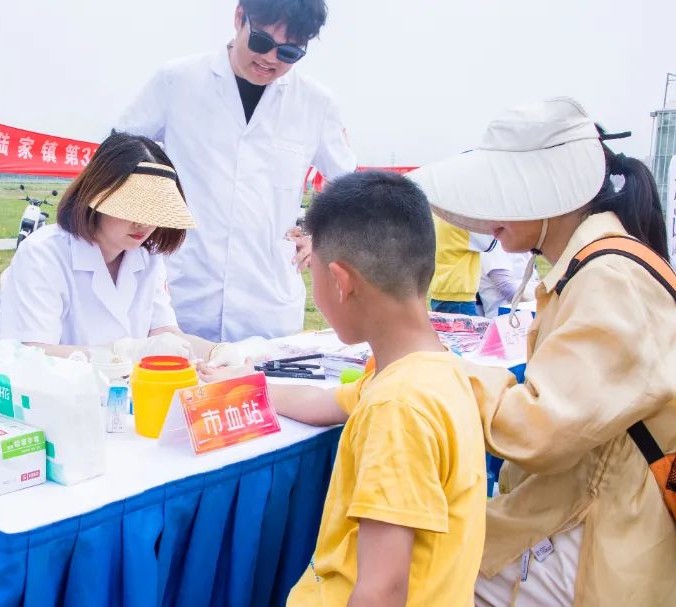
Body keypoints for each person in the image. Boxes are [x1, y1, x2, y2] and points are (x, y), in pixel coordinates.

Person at [409, 97, 676, 606]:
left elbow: (538, 427)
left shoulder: (610, 278)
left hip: (590, 540)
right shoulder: (601, 262)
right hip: (589, 521)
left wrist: (439, 370)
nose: (487, 214)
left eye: (500, 192)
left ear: (549, 192)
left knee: (415, 574)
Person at [201, 171, 486, 606]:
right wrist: (246, 384)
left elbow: (382, 590)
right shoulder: (429, 372)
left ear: (341, 281)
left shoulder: (397, 409)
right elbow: (325, 402)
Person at [117, 0, 357, 342]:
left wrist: (321, 236)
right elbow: (118, 153)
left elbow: (350, 188)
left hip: (268, 305)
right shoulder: (178, 81)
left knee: (262, 376)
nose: (271, 59)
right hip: (181, 293)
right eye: (261, 42)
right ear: (239, 17)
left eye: (289, 53)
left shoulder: (316, 104)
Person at [0, 132, 270, 366]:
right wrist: (122, 353)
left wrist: (216, 352)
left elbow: (165, 334)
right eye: (132, 209)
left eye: (155, 211)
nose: (143, 223)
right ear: (96, 197)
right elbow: (30, 355)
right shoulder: (43, 255)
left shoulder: (146, 258)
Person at [428, 218, 497, 315]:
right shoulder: (461, 222)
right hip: (459, 296)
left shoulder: (439, 216)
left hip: (440, 290)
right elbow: (489, 243)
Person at [477, 245, 537, 318]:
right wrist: (542, 297)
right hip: (505, 316)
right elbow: (507, 288)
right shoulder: (494, 248)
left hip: (525, 310)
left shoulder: (521, 246)